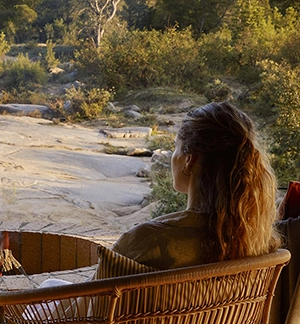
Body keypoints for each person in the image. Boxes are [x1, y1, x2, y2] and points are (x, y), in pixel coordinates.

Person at [112, 101, 281, 269]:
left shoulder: (144, 242)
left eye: (176, 146)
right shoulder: (256, 242)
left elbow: (94, 296)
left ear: (189, 160)